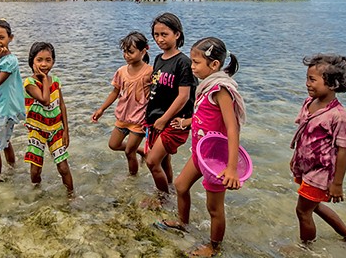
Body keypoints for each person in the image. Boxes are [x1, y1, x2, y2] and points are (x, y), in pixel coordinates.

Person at [154, 37, 246, 257]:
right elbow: (205, 115)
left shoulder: (221, 90)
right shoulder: (207, 87)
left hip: (216, 161)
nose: (192, 66)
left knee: (214, 208)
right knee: (181, 185)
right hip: (201, 153)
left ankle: (214, 246)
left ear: (214, 65)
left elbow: (232, 128)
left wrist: (231, 168)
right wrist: (187, 122)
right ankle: (182, 223)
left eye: (196, 63)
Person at [291, 54, 346, 244]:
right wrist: (295, 158)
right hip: (307, 167)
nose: (307, 84)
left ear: (332, 84)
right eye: (307, 78)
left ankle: (305, 249)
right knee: (314, 206)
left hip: (321, 172)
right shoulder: (309, 103)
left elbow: (343, 150)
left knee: (303, 211)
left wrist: (337, 184)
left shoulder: (339, 117)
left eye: (312, 80)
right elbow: (303, 134)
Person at [143, 13, 195, 202]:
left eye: (164, 34)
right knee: (164, 160)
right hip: (155, 118)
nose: (159, 39)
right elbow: (158, 86)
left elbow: (184, 96)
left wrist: (164, 119)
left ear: (177, 35)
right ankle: (169, 189)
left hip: (173, 121)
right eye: (156, 35)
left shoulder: (183, 62)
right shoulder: (158, 59)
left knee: (151, 161)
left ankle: (162, 199)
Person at [91, 32, 152, 176]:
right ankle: (142, 151)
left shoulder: (150, 71)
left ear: (143, 51)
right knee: (113, 144)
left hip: (139, 119)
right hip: (123, 117)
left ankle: (132, 179)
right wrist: (101, 109)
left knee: (129, 151)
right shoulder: (121, 71)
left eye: (130, 52)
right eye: (124, 51)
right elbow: (115, 92)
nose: (126, 55)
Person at [23, 42, 74, 195]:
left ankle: (71, 195)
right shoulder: (29, 83)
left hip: (56, 129)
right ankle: (37, 193)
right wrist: (44, 79)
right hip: (37, 131)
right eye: (39, 60)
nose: (44, 64)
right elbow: (45, 99)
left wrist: (66, 130)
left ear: (53, 61)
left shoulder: (56, 81)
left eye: (48, 60)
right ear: (32, 61)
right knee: (35, 170)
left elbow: (61, 106)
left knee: (63, 167)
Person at [0, 19, 25, 181]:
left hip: (3, 110)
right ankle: (12, 168)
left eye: (1, 37)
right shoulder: (0, 58)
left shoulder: (8, 60)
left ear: (10, 38)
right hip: (0, 108)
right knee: (6, 142)